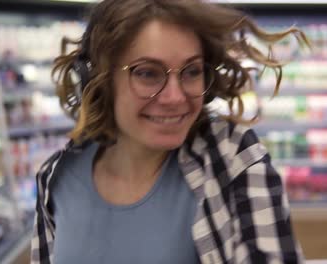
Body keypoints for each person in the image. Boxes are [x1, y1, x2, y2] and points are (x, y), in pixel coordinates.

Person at [31, 0, 309, 263]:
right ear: (100, 79)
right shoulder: (56, 177)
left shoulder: (232, 159)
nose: (175, 97)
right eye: (148, 73)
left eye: (191, 71)